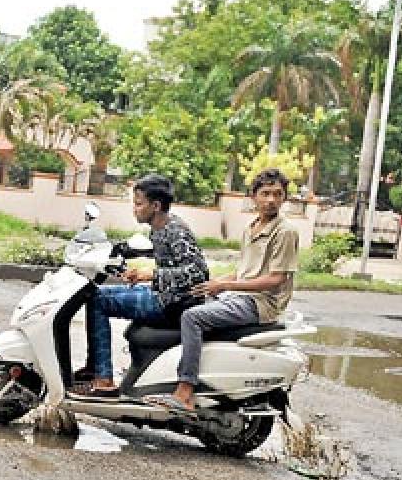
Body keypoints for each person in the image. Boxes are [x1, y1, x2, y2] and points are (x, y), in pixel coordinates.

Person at [145, 168, 299, 412]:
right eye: (265, 193)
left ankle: (185, 391)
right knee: (190, 302)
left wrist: (226, 285)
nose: (271, 200)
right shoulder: (252, 228)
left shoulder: (285, 231)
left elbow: (275, 279)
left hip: (260, 304)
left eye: (277, 194)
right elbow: (244, 272)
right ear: (254, 196)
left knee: (192, 317)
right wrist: (211, 285)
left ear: (284, 198)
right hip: (241, 295)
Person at [76, 174, 209, 397]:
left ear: (155, 206)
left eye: (139, 204)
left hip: (172, 304)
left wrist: (152, 274)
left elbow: (198, 273)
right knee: (93, 292)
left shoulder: (176, 230)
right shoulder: (159, 227)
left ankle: (104, 379)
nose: (134, 209)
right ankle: (95, 367)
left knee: (99, 300)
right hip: (164, 294)